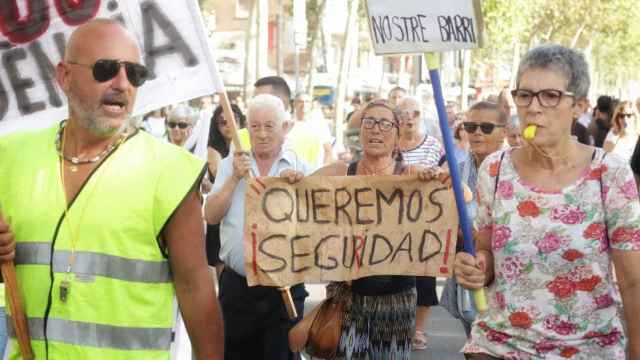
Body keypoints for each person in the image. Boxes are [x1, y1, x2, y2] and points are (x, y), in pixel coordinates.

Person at [0, 19, 223, 359]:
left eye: (135, 74)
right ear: (64, 76)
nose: (122, 84)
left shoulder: (170, 170)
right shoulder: (11, 157)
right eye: (105, 69)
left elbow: (197, 294)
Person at [455, 44, 640, 359]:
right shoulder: (496, 169)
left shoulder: (610, 173)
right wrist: (476, 267)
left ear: (578, 106)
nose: (533, 108)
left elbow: (632, 280)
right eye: (525, 95)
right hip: (498, 345)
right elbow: (485, 251)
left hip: (587, 349)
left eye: (550, 96)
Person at [288, 99, 448, 359]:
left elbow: (462, 196)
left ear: (397, 136)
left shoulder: (412, 175)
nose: (376, 129)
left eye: (386, 123)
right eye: (369, 122)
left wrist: (439, 180)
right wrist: (292, 179)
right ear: (359, 131)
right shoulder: (339, 172)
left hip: (396, 299)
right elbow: (293, 193)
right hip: (348, 298)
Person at [204, 94, 310, 360]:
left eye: (269, 126)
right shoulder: (232, 163)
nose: (261, 134)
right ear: (247, 128)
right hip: (238, 288)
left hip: (284, 287)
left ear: (284, 128)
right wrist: (234, 179)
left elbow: (319, 221)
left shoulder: (298, 166)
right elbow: (211, 215)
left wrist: (299, 190)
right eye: (255, 126)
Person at [441, 101, 507, 337]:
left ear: (504, 132)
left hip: (508, 278)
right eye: (470, 126)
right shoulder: (454, 171)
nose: (477, 132)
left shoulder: (518, 171)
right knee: (475, 341)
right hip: (468, 274)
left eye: (486, 127)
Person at [396, 96, 444, 350]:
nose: (409, 119)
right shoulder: (390, 145)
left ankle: (419, 330)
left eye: (414, 113)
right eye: (404, 114)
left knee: (424, 276)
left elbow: (447, 175)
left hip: (426, 221)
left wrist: (434, 173)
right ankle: (399, 326)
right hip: (393, 222)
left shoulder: (434, 146)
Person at [206, 103, 246, 277]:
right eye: (223, 122)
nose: (228, 125)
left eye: (233, 119)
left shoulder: (251, 147)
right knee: (225, 272)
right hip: (221, 211)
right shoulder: (214, 150)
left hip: (243, 214)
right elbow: (217, 175)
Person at [237, 76, 293, 150]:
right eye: (254, 99)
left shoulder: (307, 137)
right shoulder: (240, 137)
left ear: (283, 101)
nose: (256, 103)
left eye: (263, 99)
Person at [286, 93, 333, 169]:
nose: (304, 104)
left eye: (307, 101)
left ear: (311, 105)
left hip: (315, 175)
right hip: (292, 174)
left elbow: (328, 151)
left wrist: (324, 171)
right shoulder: (288, 125)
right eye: (300, 101)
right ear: (294, 104)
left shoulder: (320, 124)